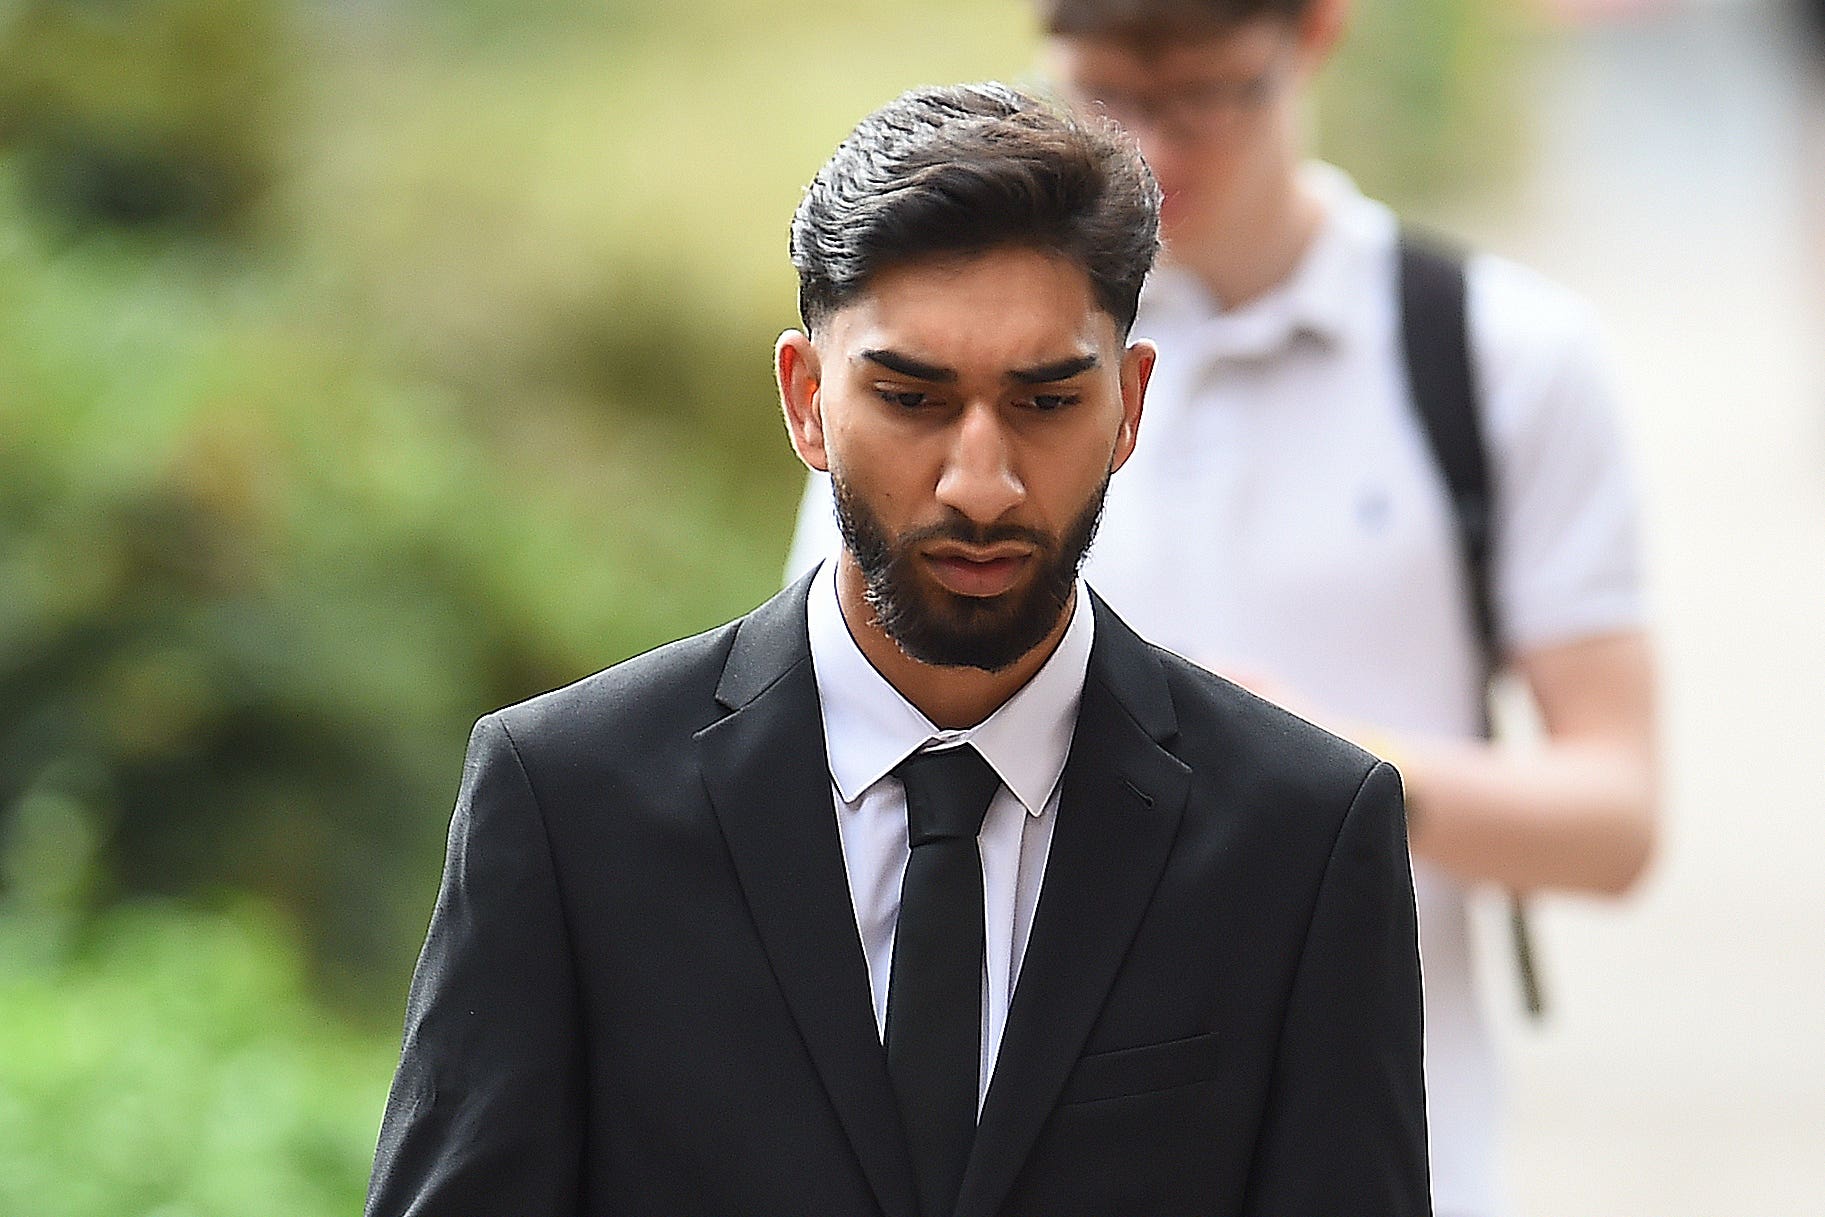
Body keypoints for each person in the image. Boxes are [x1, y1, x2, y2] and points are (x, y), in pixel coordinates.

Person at [368, 82, 1428, 1217]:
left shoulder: (1303, 834)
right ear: (807, 399)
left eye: (1045, 399)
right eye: (913, 396)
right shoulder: (567, 801)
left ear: (1126, 406)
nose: (981, 481)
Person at [785, 5, 1660, 1217]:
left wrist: (1315, 776)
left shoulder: (1498, 353)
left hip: (1388, 1139)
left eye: (1208, 95)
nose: (1153, 148)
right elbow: (823, 741)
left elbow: (1616, 815)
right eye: (1104, 96)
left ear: (1314, 39)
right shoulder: (935, 371)